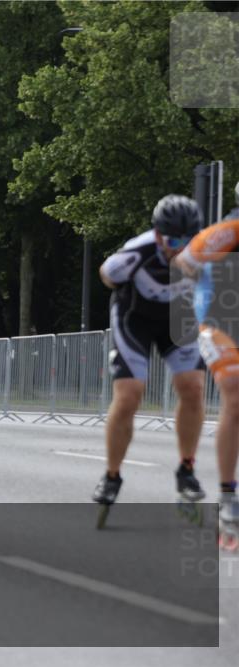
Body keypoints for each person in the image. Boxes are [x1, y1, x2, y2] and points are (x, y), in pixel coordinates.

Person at [92, 195, 207, 508]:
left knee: (193, 388)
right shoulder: (137, 250)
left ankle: (186, 470)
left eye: (188, 239)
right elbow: (107, 276)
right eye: (173, 240)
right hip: (135, 319)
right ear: (158, 235)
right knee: (130, 395)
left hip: (177, 319)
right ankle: (112, 475)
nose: (180, 247)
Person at [172, 182, 239, 540]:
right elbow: (183, 262)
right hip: (219, 320)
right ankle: (229, 495)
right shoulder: (226, 232)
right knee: (234, 390)